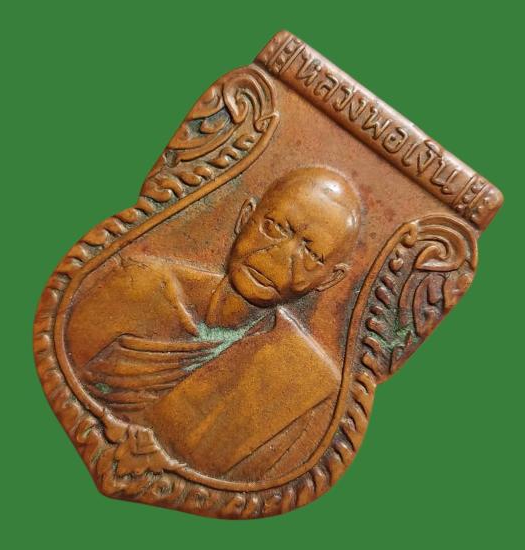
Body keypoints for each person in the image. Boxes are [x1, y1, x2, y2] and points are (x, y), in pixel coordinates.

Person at [67, 167, 361, 480]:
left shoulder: (303, 384)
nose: (277, 258)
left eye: (311, 254)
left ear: (329, 279)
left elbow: (247, 481)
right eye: (274, 227)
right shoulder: (139, 283)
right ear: (245, 217)